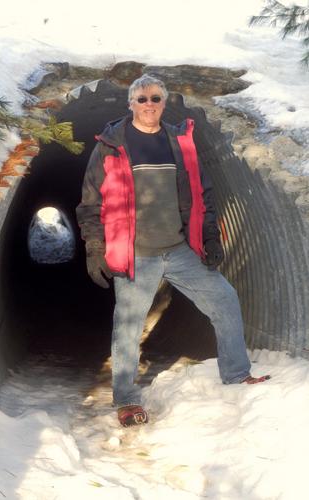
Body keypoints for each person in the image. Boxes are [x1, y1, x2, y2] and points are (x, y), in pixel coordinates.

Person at [76, 75, 270, 427]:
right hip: (137, 255)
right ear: (130, 104)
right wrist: (94, 247)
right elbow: (91, 202)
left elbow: (202, 194)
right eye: (142, 99)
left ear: (163, 103)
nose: (149, 105)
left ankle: (237, 374)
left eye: (155, 99)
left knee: (225, 300)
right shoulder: (111, 143)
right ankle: (126, 400)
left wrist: (210, 239)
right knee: (128, 328)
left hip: (180, 250)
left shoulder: (180, 141)